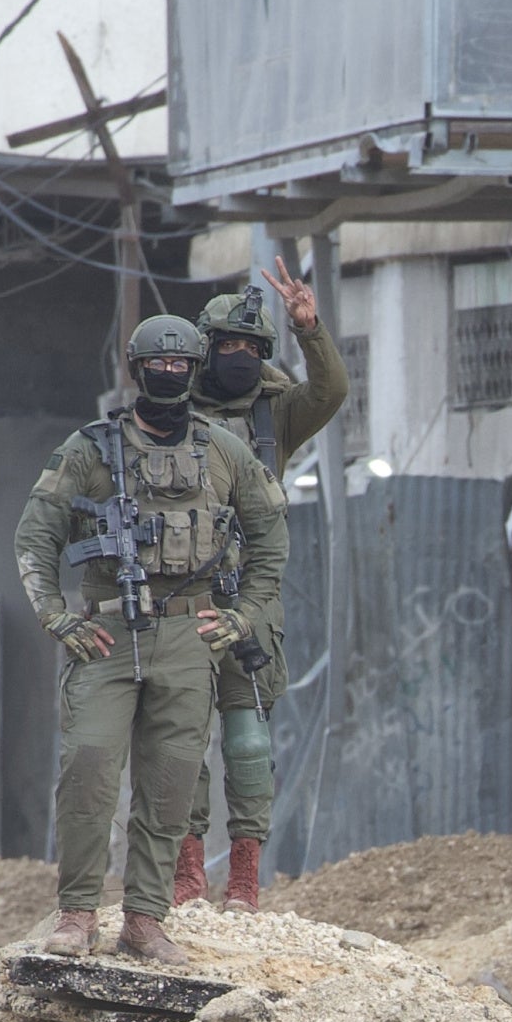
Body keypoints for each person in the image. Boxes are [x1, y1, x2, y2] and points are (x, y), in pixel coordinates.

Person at [11, 314, 288, 959]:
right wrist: (57, 617)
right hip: (106, 633)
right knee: (89, 769)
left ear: (195, 372)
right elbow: (37, 535)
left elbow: (271, 534)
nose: (168, 375)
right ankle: (77, 914)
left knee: (170, 783)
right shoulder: (89, 449)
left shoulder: (224, 450)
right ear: (137, 370)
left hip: (191, 635)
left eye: (181, 366)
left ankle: (145, 918)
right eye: (157, 366)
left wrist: (243, 615)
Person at [172, 274, 354, 913]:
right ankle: (187, 876)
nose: (240, 356)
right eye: (228, 344)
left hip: (251, 596)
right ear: (207, 347)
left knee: (248, 740)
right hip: (181, 597)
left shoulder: (273, 414)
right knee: (182, 738)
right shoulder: (173, 412)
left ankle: (245, 881)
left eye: (253, 345)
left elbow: (330, 390)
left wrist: (309, 326)